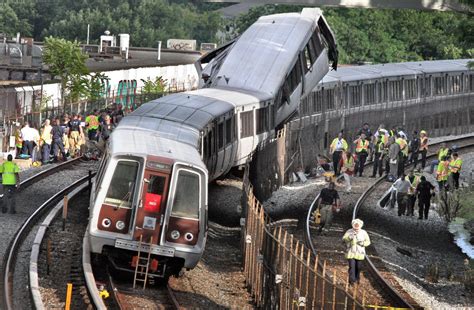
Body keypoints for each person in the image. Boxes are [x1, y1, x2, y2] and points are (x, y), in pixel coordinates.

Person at [342, 219, 370, 285]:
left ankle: (357, 278)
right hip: (351, 253)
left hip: (360, 254)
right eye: (355, 225)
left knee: (358, 267)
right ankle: (351, 281)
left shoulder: (364, 232)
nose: (356, 226)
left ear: (360, 225)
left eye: (358, 225)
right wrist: (349, 237)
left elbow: (368, 242)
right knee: (352, 267)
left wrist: (363, 243)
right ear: (353, 225)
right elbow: (343, 240)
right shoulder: (349, 231)